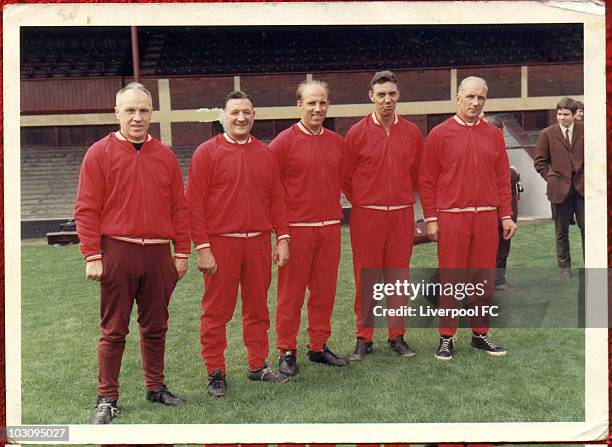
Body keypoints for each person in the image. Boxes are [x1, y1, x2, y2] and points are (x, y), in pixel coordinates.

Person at [74, 82, 190, 424]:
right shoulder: (99, 152)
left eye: (143, 110)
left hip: (157, 254)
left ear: (151, 113)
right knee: (114, 329)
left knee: (156, 325)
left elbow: (179, 209)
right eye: (130, 110)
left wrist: (181, 251)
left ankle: (156, 387)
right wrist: (92, 255)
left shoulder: (165, 155)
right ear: (117, 112)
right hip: (118, 251)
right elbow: (86, 209)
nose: (137, 117)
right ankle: (107, 397)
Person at [187, 91, 290, 398]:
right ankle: (215, 370)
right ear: (225, 116)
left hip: (258, 242)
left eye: (246, 112)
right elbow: (194, 205)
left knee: (258, 308)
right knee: (216, 311)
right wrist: (202, 248)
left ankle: (258, 365)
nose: (241, 118)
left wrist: (282, 238)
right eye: (235, 113)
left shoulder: (266, 153)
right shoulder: (206, 153)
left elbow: (277, 201)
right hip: (222, 244)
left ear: (253, 115)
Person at [419, 76, 517, 361]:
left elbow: (502, 179)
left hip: (486, 218)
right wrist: (431, 218)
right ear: (458, 98)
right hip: (452, 218)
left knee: (482, 278)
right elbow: (427, 180)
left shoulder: (493, 134)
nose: (475, 103)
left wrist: (506, 216)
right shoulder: (439, 133)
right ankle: (446, 337)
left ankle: (480, 334)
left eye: (481, 98)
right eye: (470, 97)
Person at [343, 70, 424, 361]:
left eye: (391, 94)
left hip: (401, 216)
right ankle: (364, 338)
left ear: (398, 95)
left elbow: (417, 175)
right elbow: (346, 176)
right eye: (381, 95)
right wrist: (366, 202)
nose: (387, 100)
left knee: (398, 278)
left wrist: (400, 201)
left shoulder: (412, 133)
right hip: (367, 216)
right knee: (367, 280)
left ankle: (397, 336)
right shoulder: (357, 133)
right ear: (371, 97)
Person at [270, 80, 347, 376]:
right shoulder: (283, 143)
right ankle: (286, 349)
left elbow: (347, 180)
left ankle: (318, 346)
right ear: (299, 104)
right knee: (291, 294)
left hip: (329, 229)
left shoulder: (337, 142)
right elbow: (272, 192)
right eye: (311, 103)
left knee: (324, 292)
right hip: (297, 230)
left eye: (322, 103)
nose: (317, 108)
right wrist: (282, 235)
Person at [534, 97, 584, 278]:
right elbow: (540, 162)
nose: (562, 118)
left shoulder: (585, 129)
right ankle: (565, 268)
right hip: (559, 190)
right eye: (559, 114)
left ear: (574, 114)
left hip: (582, 190)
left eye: (566, 114)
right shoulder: (546, 134)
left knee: (588, 229)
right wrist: (552, 178)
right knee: (561, 232)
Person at [486, 115, 521, 291]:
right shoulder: (482, 148)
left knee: (504, 244)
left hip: (507, 204)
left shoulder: (502, 149)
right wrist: (511, 172)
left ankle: (499, 280)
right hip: (490, 206)